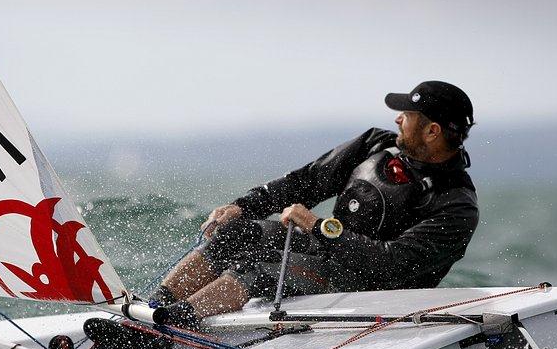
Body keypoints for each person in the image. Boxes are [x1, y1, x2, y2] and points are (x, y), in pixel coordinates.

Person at [149, 80, 479, 329]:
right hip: (326, 252)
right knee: (237, 234)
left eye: (406, 116)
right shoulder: (374, 145)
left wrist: (317, 227)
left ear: (432, 131)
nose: (397, 121)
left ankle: (168, 329)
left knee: (260, 267)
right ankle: (154, 309)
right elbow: (307, 181)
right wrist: (244, 205)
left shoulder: (457, 206)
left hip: (370, 288)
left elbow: (392, 264)